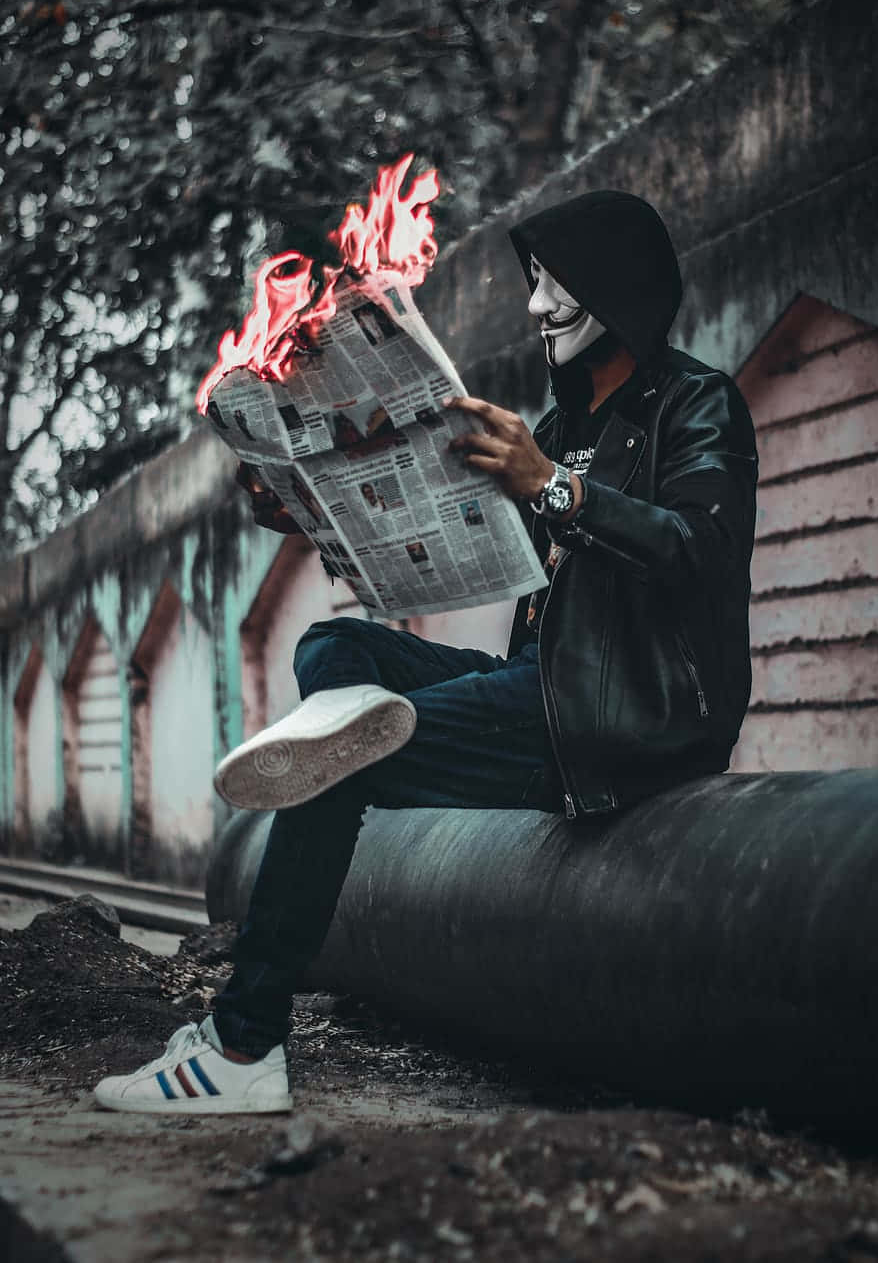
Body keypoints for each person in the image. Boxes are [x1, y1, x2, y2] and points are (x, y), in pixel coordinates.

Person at [94, 190, 757, 1114]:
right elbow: (471, 540)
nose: (537, 307)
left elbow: (699, 552)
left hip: (625, 715)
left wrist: (555, 489)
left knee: (341, 755)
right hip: (545, 687)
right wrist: (317, 506)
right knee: (335, 646)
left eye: (559, 286)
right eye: (533, 285)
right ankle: (340, 739)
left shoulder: (700, 403)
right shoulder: (562, 426)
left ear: (623, 288)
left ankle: (244, 1044)